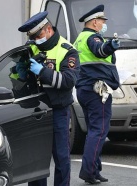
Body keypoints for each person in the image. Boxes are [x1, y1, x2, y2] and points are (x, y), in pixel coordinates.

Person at [18, 11, 80, 186]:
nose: (36, 39)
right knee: (36, 157)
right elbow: (18, 79)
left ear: (47, 29)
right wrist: (20, 72)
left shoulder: (68, 50)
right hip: (35, 110)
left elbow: (68, 81)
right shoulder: (31, 48)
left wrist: (43, 72)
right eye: (32, 36)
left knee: (61, 156)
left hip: (58, 110)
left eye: (38, 35)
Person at [73, 4, 120, 184]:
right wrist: (110, 46)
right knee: (99, 131)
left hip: (85, 89)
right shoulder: (93, 37)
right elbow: (99, 50)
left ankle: (95, 169)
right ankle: (89, 171)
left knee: (94, 131)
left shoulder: (79, 38)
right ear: (94, 22)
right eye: (102, 21)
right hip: (96, 90)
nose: (103, 24)